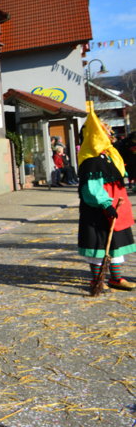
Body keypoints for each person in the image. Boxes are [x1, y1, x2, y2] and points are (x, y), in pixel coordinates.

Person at [77, 109, 136, 292]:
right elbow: (92, 189)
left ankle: (116, 279)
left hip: (116, 206)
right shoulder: (91, 159)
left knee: (116, 243)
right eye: (106, 132)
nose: (110, 135)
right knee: (99, 245)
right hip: (99, 210)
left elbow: (122, 172)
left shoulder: (109, 155)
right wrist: (105, 205)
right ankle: (97, 280)